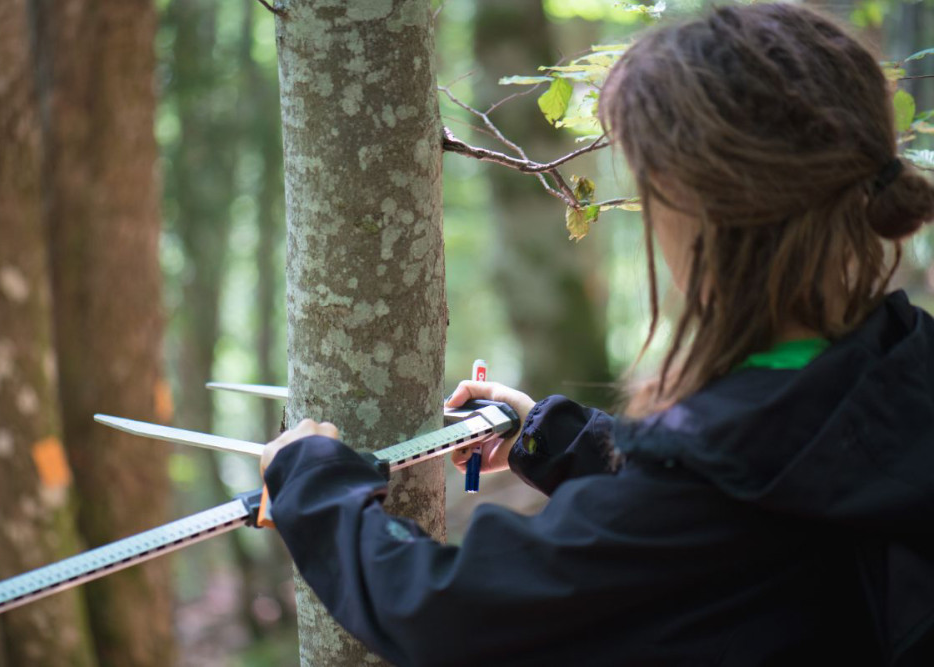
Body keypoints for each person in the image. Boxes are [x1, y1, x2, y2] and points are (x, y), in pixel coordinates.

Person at [260, 4, 934, 665]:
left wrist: (315, 491)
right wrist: (562, 441)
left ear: (700, 210)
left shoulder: (706, 492)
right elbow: (758, 500)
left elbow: (451, 616)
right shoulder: (902, 363)